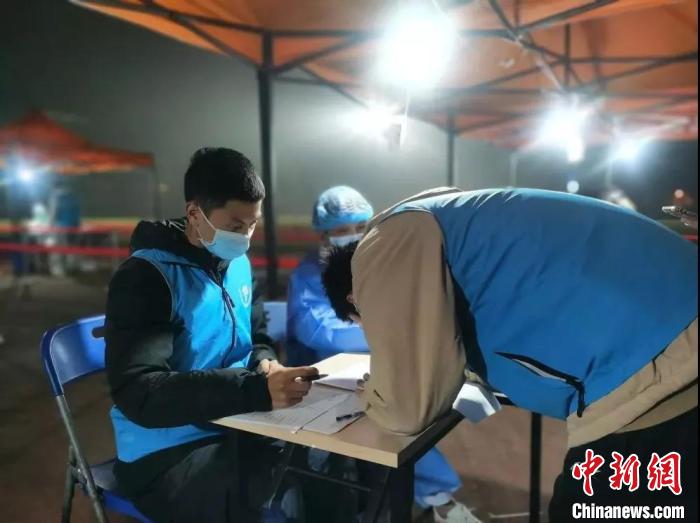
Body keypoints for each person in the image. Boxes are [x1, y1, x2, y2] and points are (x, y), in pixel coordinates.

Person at [321, 187, 697, 521]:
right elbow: (465, 362)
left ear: (357, 297)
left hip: (656, 363)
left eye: (363, 321)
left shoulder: (387, 245)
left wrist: (373, 392)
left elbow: (407, 411)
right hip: (664, 336)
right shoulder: (444, 222)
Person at [105, 148, 319, 522]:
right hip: (166, 447)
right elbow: (140, 392)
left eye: (252, 225)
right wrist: (253, 389)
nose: (245, 237)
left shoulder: (238, 264)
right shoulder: (147, 278)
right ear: (194, 213)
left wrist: (265, 363)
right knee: (253, 500)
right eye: (235, 226)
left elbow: (256, 337)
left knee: (322, 466)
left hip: (235, 419)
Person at [288, 186, 480, 523]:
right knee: (381, 434)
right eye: (342, 229)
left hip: (371, 370)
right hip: (320, 384)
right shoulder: (306, 275)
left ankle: (435, 499)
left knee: (405, 423)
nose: (353, 235)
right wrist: (387, 330)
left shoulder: (378, 263)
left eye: (361, 226)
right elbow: (319, 332)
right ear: (323, 234)